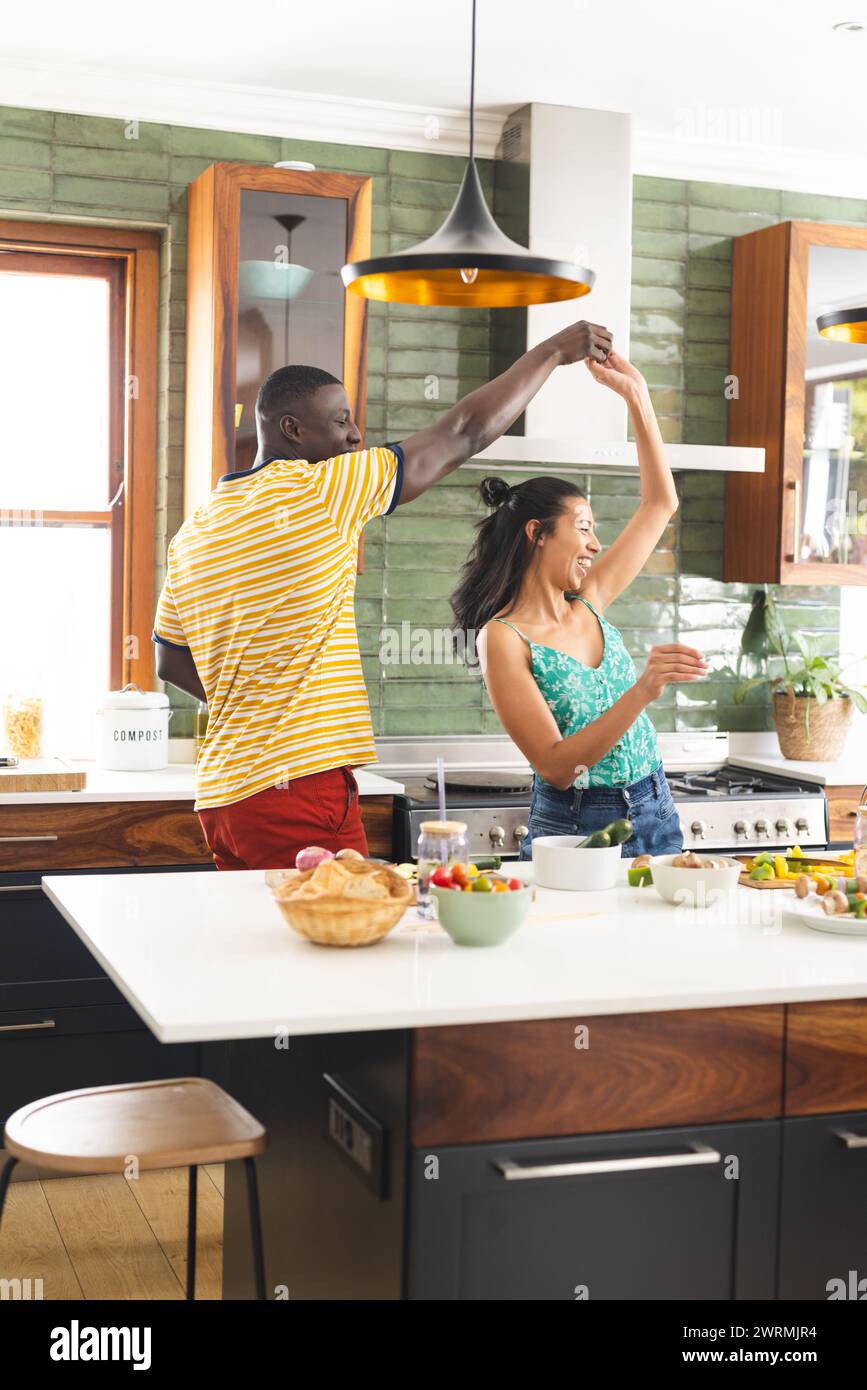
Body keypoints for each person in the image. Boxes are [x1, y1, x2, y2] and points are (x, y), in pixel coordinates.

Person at [153, 322, 613, 869]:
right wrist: (555, 350)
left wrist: (260, 698)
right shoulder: (323, 489)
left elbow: (170, 660)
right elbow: (464, 431)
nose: (354, 436)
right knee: (335, 944)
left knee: (273, 948)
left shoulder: (197, 527)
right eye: (341, 420)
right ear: (292, 430)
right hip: (296, 786)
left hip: (226, 796)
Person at [452, 350, 709, 860]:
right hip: (579, 824)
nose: (595, 545)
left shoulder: (589, 601)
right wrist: (643, 690)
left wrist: (637, 395)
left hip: (655, 805)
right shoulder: (503, 637)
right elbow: (556, 766)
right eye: (584, 529)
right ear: (537, 534)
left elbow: (661, 502)